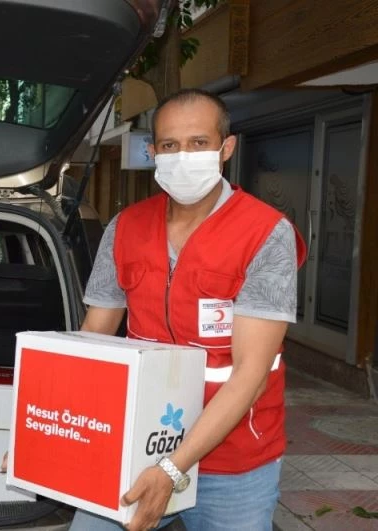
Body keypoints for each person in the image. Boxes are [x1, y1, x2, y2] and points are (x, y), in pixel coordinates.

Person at [74, 88, 307, 531]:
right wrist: (48, 431)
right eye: (170, 145)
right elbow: (92, 342)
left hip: (234, 463)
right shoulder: (124, 228)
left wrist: (172, 469)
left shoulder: (265, 233)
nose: (183, 156)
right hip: (137, 446)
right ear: (152, 153)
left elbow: (251, 375)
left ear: (226, 148)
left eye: (199, 143)